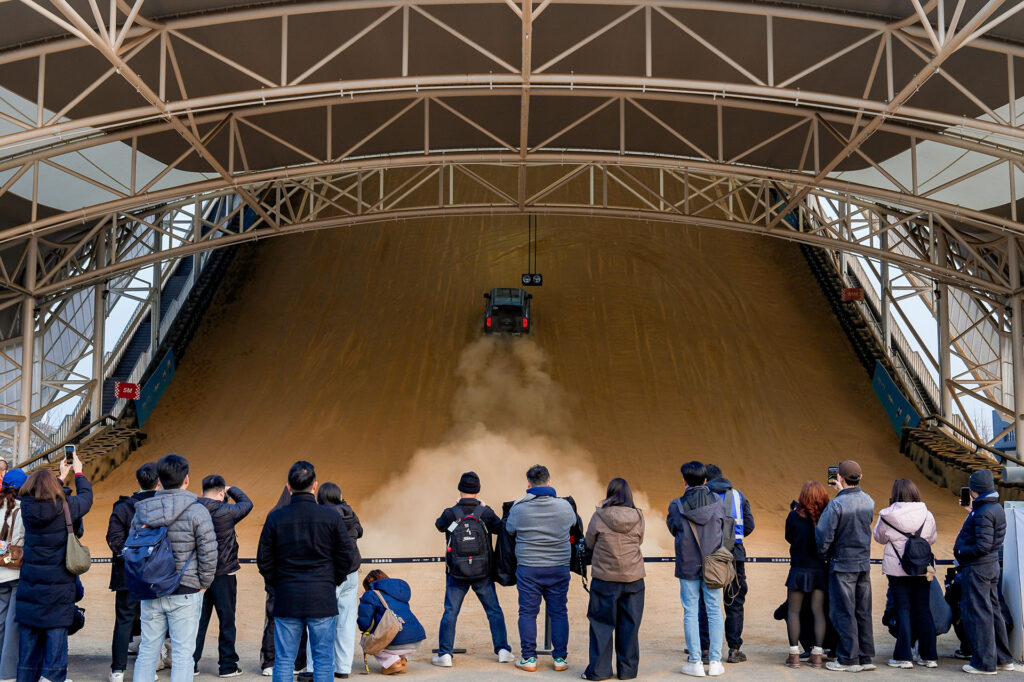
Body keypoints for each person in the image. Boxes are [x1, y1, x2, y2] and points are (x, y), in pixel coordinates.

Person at [256, 461, 359, 682]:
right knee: (323, 659)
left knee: (284, 659)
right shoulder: (331, 517)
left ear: (288, 487)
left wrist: (279, 583)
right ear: (315, 486)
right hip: (321, 597)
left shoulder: (276, 517)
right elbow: (346, 555)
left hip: (287, 597)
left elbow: (264, 561)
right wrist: (332, 581)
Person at [131, 453, 218, 682]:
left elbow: (132, 548)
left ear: (159, 480)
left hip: (150, 589)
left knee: (148, 650)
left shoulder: (142, 510)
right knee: (182, 655)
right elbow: (209, 552)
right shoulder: (198, 511)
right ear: (186, 479)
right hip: (186, 589)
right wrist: (204, 584)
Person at [15, 454, 93, 682]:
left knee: (28, 649)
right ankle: (52, 678)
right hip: (58, 589)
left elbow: (42, 496)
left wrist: (60, 477)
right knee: (56, 644)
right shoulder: (65, 507)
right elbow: (87, 498)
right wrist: (77, 473)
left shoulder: (26, 508)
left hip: (30, 588)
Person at [431, 471, 512, 668]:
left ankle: (445, 655)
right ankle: (502, 650)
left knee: (450, 612)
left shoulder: (450, 513)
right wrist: (486, 508)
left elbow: (439, 526)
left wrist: (455, 508)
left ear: (460, 489)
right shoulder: (485, 513)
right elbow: (501, 528)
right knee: (493, 611)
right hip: (482, 572)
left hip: (456, 572)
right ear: (478, 491)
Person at [505, 464, 578, 673]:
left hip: (529, 568)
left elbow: (510, 530)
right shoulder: (565, 507)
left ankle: (529, 658)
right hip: (558, 567)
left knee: (527, 613)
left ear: (528, 484)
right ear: (549, 482)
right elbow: (573, 525)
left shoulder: (518, 508)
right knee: (559, 612)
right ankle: (560, 659)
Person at [667, 461, 732, 677]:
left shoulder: (676, 505)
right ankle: (715, 662)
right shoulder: (717, 501)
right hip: (713, 564)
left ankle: (695, 662)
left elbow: (673, 528)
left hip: (687, 564)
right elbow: (722, 528)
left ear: (684, 481)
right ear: (706, 481)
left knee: (691, 612)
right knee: (714, 610)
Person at [582, 478, 645, 681]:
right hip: (634, 578)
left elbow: (589, 542)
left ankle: (599, 671)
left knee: (601, 624)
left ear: (609, 493)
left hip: (604, 579)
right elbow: (640, 539)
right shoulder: (638, 516)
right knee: (630, 625)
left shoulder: (599, 515)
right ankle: (627, 671)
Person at [816, 460, 875, 672]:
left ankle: (848, 659)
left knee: (843, 611)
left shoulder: (836, 504)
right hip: (863, 563)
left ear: (840, 478)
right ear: (860, 477)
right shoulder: (869, 500)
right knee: (863, 610)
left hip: (842, 564)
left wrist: (824, 554)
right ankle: (866, 656)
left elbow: (824, 535)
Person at [872, 478, 938, 669]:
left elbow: (879, 537)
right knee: (924, 609)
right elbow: (932, 539)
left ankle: (904, 656)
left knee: (903, 610)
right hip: (923, 567)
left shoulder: (887, 515)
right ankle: (929, 656)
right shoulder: (927, 514)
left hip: (897, 569)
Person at [954, 469, 1015, 674]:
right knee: (993, 612)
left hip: (978, 568)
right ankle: (1003, 659)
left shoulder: (983, 513)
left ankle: (984, 663)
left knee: (980, 614)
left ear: (974, 490)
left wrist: (962, 550)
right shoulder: (993, 508)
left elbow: (982, 545)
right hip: (990, 567)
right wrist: (972, 511)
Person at [193, 475, 253, 678]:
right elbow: (247, 503)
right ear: (221, 493)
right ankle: (227, 665)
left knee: (198, 621)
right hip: (224, 574)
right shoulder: (227, 511)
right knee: (226, 619)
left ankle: (190, 663)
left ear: (202, 492)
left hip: (198, 574)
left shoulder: (193, 508)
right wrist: (231, 488)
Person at [106, 463, 161, 682]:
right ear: (159, 482)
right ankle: (148, 670)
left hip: (127, 573)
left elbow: (114, 539)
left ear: (137, 481)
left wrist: (131, 558)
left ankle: (117, 671)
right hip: (155, 574)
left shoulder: (122, 507)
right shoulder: (163, 505)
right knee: (153, 621)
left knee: (124, 620)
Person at [700, 464, 754, 664]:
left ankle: (704, 650)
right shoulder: (739, 496)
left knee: (705, 601)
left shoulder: (703, 496)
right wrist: (734, 537)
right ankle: (734, 649)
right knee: (734, 601)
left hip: (709, 556)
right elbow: (749, 525)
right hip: (735, 555)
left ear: (706, 480)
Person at [314, 482, 363, 679]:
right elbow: (360, 531)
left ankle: (316, 666)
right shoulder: (349, 512)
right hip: (351, 573)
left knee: (320, 622)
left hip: (328, 575)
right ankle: (343, 668)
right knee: (346, 622)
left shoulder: (320, 515)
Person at [259, 487, 308, 677]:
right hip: (299, 580)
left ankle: (269, 662)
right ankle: (298, 662)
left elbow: (264, 555)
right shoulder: (307, 516)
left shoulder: (274, 515)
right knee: (302, 620)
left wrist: (271, 578)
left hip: (278, 580)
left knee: (273, 620)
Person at [783, 481, 830, 669]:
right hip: (820, 570)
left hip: (798, 569)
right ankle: (817, 655)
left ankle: (794, 655)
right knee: (818, 611)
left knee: (793, 611)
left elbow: (788, 537)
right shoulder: (827, 516)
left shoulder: (793, 516)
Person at [357, 570, 426, 675]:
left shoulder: (371, 594)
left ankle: (392, 662)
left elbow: (364, 624)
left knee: (366, 641)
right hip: (415, 640)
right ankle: (402, 661)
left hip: (396, 644)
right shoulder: (399, 593)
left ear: (369, 583)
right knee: (398, 634)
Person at [0, 468, 26, 681]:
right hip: (16, 574)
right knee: (13, 626)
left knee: (0, 623)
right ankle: (7, 673)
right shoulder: (24, 509)